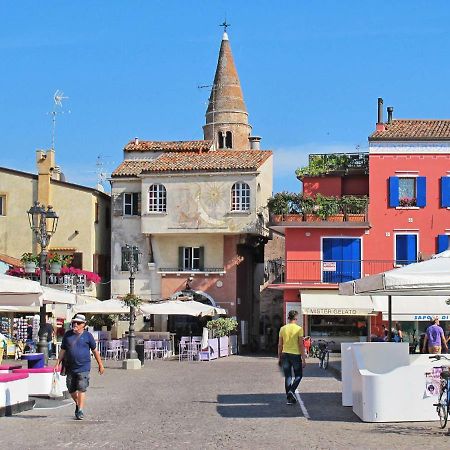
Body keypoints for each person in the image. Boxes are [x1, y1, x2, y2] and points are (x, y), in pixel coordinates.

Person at [55, 314, 105, 420]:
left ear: (84, 325)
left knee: (81, 387)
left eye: (78, 323)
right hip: (70, 366)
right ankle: (78, 403)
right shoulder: (67, 335)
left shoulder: (88, 336)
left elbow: (95, 351)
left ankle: (80, 410)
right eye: (74, 322)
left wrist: (100, 364)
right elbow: (62, 350)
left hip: (84, 367)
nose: (76, 324)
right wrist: (57, 363)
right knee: (71, 388)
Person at [278, 310, 306, 405]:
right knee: (299, 375)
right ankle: (292, 390)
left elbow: (280, 345)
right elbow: (301, 345)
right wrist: (303, 358)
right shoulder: (299, 329)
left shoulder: (282, 329)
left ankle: (289, 399)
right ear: (296, 318)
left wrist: (279, 357)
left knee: (288, 376)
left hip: (285, 354)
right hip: (295, 355)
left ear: (288, 318)